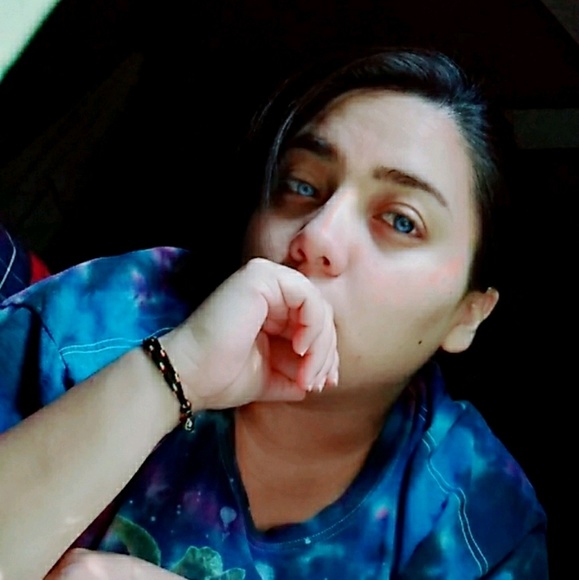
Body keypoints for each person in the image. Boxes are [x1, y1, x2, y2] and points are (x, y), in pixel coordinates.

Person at [0, 48, 547, 579]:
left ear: (468, 315)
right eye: (302, 186)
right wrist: (177, 371)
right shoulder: (107, 314)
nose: (317, 235)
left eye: (401, 221)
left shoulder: (477, 522)